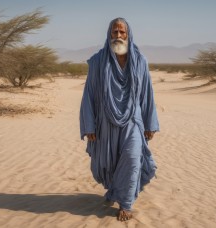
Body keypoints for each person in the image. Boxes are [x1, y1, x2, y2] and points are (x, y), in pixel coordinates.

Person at [79, 17, 159, 221]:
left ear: (128, 34)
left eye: (122, 32)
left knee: (133, 158)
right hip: (105, 122)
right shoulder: (98, 61)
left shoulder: (140, 61)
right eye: (114, 32)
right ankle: (117, 190)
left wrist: (150, 123)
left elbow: (147, 94)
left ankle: (126, 204)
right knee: (112, 162)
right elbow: (88, 94)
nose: (118, 36)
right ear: (109, 34)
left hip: (133, 120)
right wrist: (89, 125)